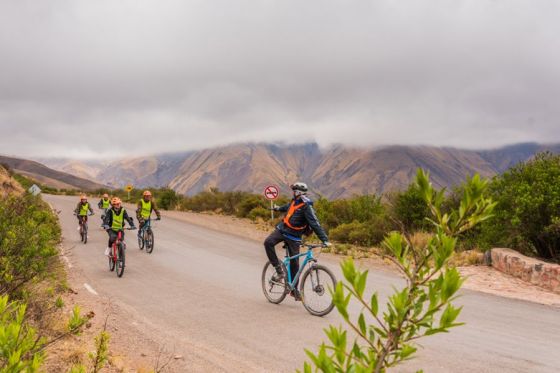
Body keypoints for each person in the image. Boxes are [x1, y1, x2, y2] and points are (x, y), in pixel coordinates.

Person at [264, 182, 330, 301]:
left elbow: (314, 223)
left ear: (298, 192)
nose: (293, 193)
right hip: (282, 230)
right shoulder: (295, 201)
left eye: (294, 191)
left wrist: (324, 239)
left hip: (294, 237)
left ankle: (294, 290)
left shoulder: (306, 206)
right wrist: (278, 208)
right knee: (268, 242)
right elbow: (288, 207)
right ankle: (279, 270)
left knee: (295, 263)